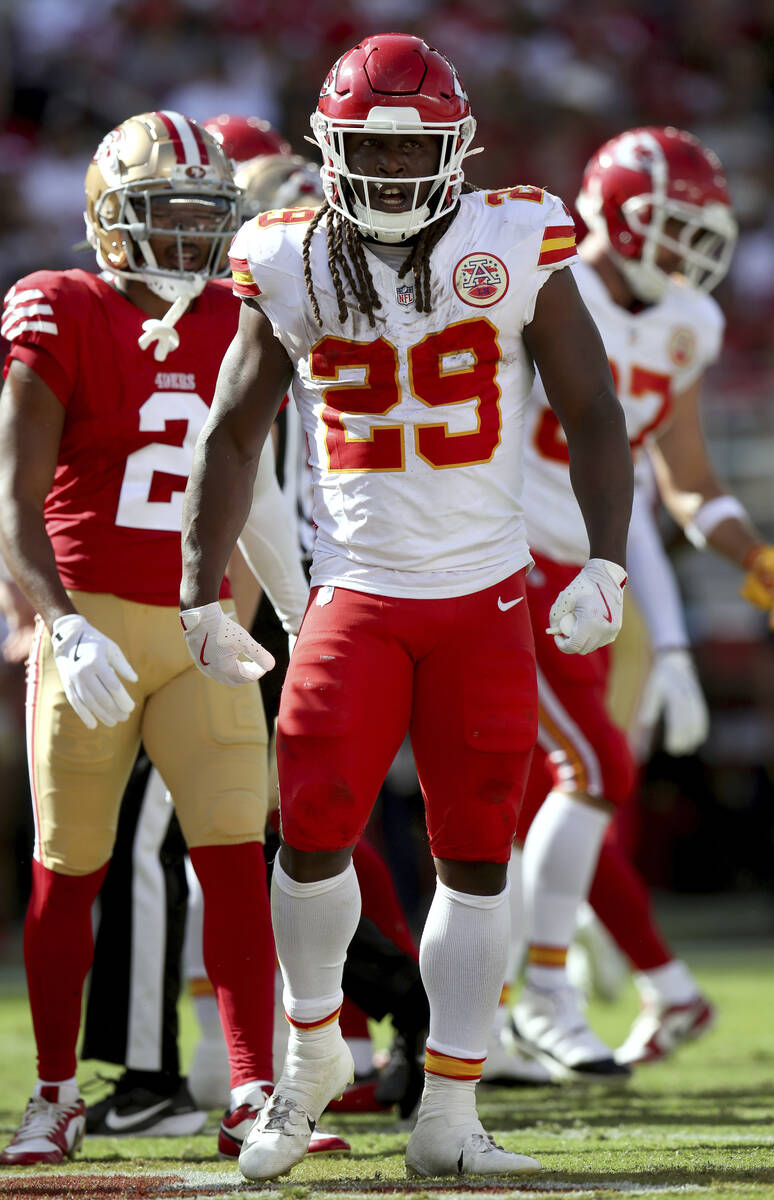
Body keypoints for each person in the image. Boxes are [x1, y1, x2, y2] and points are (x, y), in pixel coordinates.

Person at [179, 32, 633, 1182]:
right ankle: (309, 1053)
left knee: (475, 851)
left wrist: (605, 561)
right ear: (326, 149)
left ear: (454, 150)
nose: (385, 174)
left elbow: (589, 409)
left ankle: (449, 1110)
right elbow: (234, 430)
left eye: (408, 152)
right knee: (313, 814)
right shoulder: (282, 254)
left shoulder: (513, 236)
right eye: (365, 153)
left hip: (481, 593)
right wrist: (196, 591)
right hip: (357, 590)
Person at [0, 109, 298, 1167]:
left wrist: (297, 611)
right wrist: (59, 627)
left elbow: (254, 492)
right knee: (68, 867)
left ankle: (255, 1093)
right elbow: (12, 500)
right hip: (94, 623)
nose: (184, 238)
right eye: (160, 215)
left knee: (230, 857)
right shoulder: (57, 306)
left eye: (200, 217)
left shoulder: (238, 313)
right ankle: (50, 1095)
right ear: (107, 219)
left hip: (197, 621)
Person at [507, 126, 774, 1077]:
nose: (687, 252)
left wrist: (754, 554)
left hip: (587, 575)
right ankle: (545, 989)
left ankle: (519, 1003)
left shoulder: (687, 324)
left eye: (696, 232)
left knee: (542, 792)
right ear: (613, 211)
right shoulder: (545, 278)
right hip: (503, 558)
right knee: (586, 772)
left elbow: (688, 483)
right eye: (669, 227)